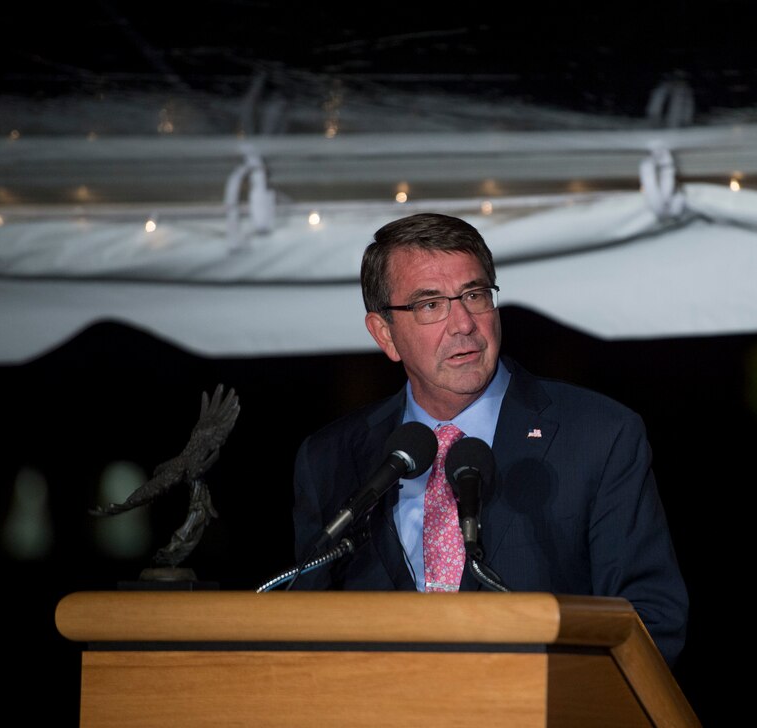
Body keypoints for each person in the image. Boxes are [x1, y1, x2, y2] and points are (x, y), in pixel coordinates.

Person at [291, 212, 689, 667]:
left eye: (475, 295)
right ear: (386, 334)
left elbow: (649, 620)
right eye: (430, 305)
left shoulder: (599, 436)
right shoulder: (331, 459)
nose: (462, 323)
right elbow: (307, 627)